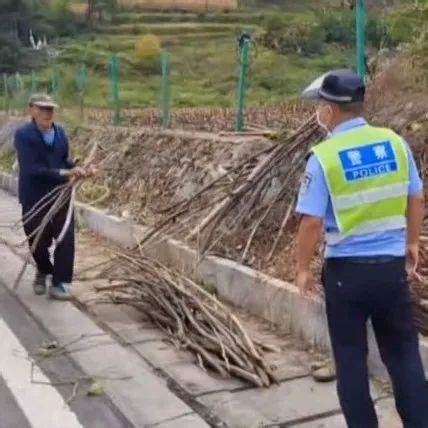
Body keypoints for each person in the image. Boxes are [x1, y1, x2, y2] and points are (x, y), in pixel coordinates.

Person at [295, 69, 428, 428]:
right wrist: (411, 243)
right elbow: (416, 197)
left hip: (346, 277)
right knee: (403, 357)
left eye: (321, 105)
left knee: (351, 360)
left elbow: (310, 223)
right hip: (391, 269)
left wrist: (303, 269)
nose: (319, 112)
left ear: (330, 110)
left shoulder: (324, 156)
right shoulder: (394, 143)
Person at [14, 94, 91, 300]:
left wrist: (76, 167)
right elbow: (31, 169)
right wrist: (65, 173)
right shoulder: (23, 135)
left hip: (61, 193)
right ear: (32, 109)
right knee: (37, 240)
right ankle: (44, 269)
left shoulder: (61, 133)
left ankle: (61, 283)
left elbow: (63, 161)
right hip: (34, 196)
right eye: (43, 108)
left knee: (65, 237)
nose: (48, 113)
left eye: (50, 109)